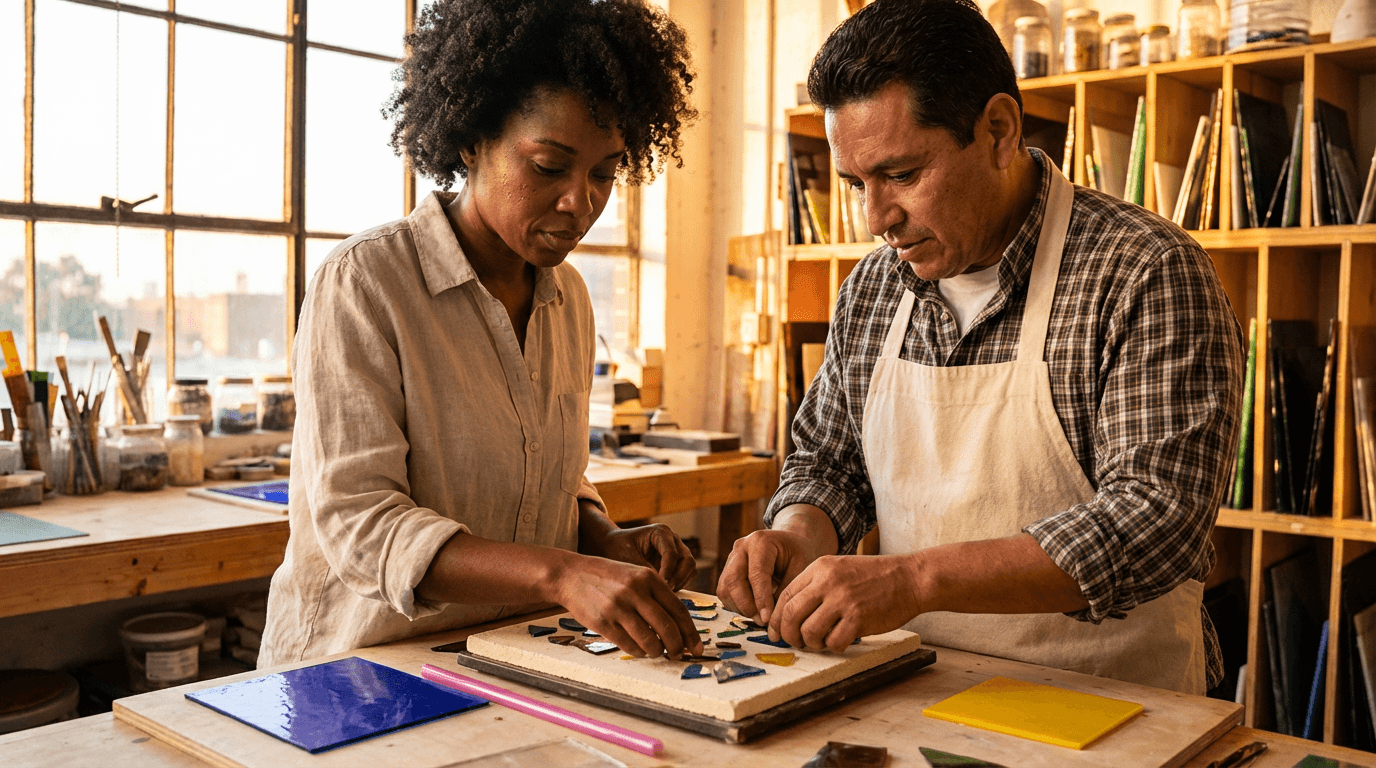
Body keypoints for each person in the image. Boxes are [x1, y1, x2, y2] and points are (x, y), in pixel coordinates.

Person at [717, 0, 1243, 694]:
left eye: (902, 175)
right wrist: (797, 534)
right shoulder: (873, 288)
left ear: (998, 131)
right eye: (857, 184)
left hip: (1112, 702)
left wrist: (914, 580)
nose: (876, 219)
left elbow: (1153, 521)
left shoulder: (1144, 273)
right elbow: (830, 465)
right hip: (921, 690)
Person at [260, 0, 702, 667]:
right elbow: (362, 525)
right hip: (358, 671)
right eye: (548, 166)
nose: (580, 202)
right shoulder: (365, 282)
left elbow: (552, 478)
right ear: (472, 139)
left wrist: (604, 539)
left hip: (505, 662)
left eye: (604, 173)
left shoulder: (568, 299)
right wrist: (562, 575)